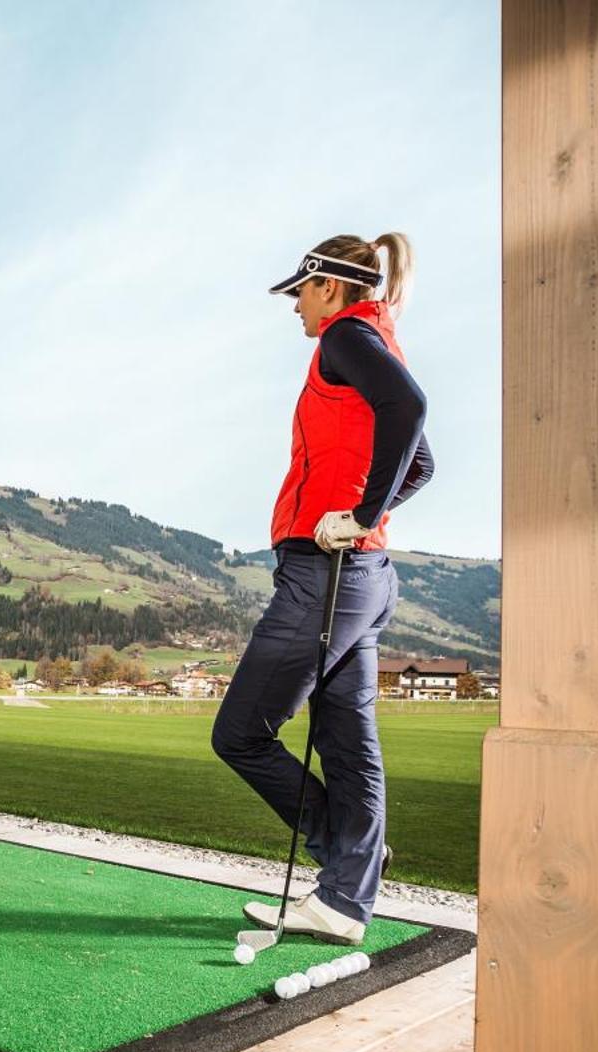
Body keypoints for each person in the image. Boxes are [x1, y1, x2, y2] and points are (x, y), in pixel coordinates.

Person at [214, 234, 434, 944]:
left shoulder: (345, 337)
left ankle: (346, 857)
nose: (296, 306)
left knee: (241, 733)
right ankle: (345, 894)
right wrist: (369, 513)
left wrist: (362, 511)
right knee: (345, 741)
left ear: (330, 287)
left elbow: (410, 408)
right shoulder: (371, 339)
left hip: (326, 577)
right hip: (362, 578)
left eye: (301, 292)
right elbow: (421, 463)